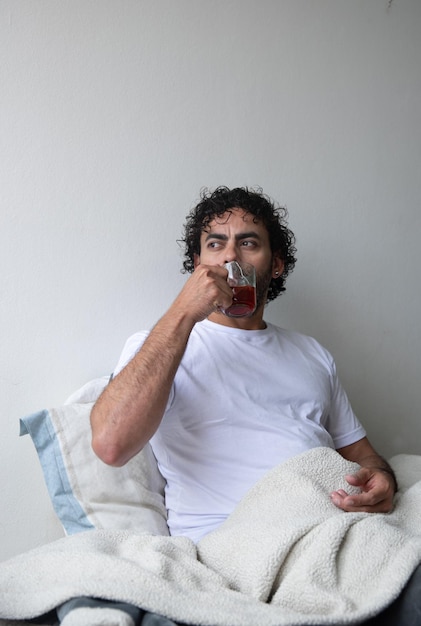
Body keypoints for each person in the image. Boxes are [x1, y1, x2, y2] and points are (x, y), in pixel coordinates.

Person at [59, 187, 419, 625]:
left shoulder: (311, 355)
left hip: (328, 526)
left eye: (248, 242)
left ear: (276, 263)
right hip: (235, 548)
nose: (231, 256)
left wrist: (382, 480)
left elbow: (363, 456)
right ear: (198, 265)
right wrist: (183, 313)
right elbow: (111, 444)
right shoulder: (163, 345)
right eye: (215, 244)